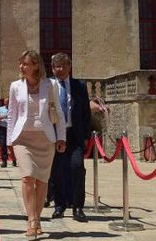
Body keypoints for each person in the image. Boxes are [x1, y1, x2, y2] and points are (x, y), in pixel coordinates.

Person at [7, 50, 66, 239]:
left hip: (45, 138)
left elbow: (59, 112)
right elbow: (11, 115)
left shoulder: (50, 85)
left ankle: (37, 219)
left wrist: (61, 137)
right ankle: (31, 220)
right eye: (21, 63)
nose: (21, 67)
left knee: (41, 181)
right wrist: (10, 140)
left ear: (36, 66)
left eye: (25, 64)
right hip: (22, 138)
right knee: (27, 178)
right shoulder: (15, 86)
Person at [48, 52, 91, 222]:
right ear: (52, 68)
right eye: (56, 66)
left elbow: (86, 112)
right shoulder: (48, 85)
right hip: (55, 134)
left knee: (77, 168)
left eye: (63, 66)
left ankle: (78, 206)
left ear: (69, 67)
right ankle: (59, 206)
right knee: (57, 171)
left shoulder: (79, 86)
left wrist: (86, 135)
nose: (59, 69)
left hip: (74, 134)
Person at [0, 98, 17, 168]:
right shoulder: (0, 109)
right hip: (3, 129)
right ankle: (4, 161)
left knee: (12, 145)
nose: (7, 103)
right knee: (3, 145)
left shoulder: (13, 108)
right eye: (6, 102)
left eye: (8, 102)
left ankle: (14, 159)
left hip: (12, 129)